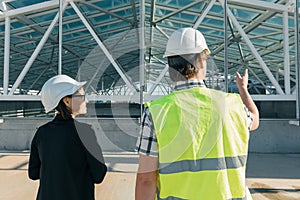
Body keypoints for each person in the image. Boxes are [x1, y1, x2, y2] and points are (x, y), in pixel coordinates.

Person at [135, 28, 259, 200]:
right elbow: (254, 119)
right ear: (201, 61)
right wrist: (243, 90)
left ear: (170, 66)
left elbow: (146, 179)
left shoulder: (155, 113)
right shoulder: (233, 105)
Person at [28, 75, 107, 200]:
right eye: (81, 96)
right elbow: (99, 174)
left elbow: (33, 173)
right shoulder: (85, 132)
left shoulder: (41, 133)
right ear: (66, 101)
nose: (85, 101)